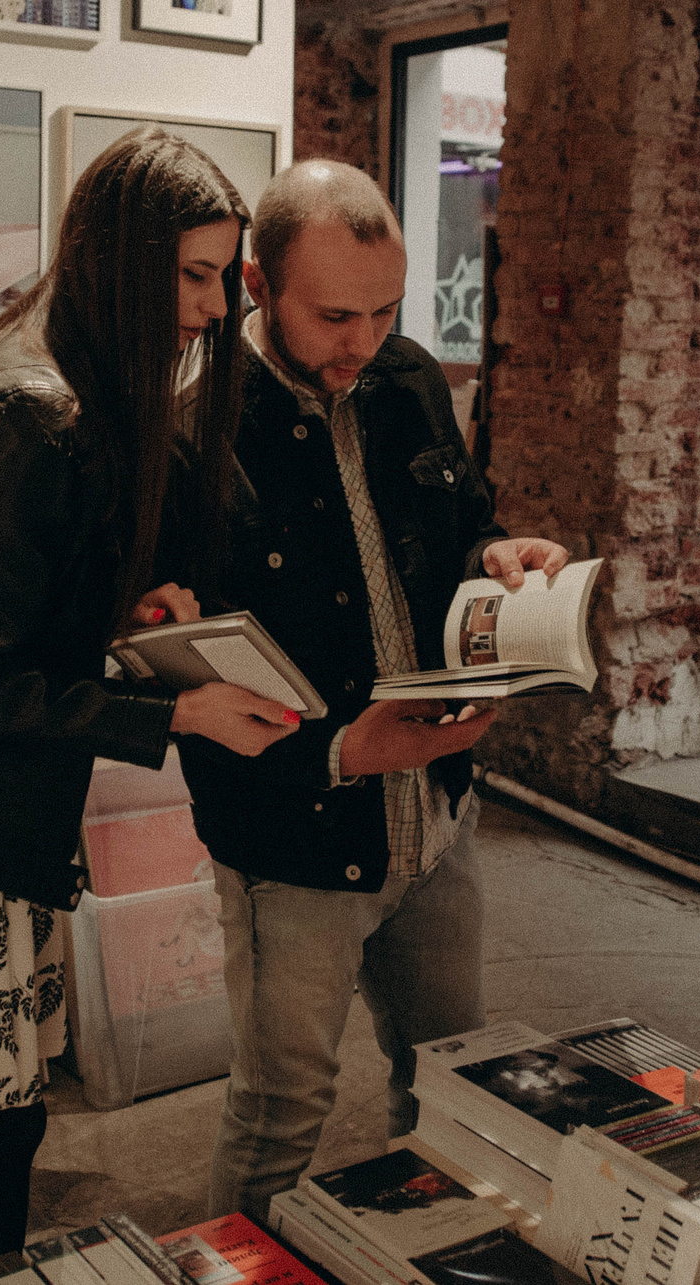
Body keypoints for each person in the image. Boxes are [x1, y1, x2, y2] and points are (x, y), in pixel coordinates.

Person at [0, 127, 301, 1285]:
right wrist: (170, 714)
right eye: (191, 273)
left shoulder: (68, 389)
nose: (214, 307)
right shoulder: (24, 416)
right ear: (120, 261)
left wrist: (131, 624)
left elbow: (12, 629)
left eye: (226, 276)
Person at [178, 160, 571, 1222]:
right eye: (334, 313)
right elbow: (189, 677)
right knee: (280, 1111)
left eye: (385, 308)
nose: (363, 337)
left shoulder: (407, 380)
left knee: (450, 1081)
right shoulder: (195, 425)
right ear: (257, 284)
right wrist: (342, 752)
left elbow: (460, 531)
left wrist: (501, 553)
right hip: (295, 838)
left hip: (436, 817)